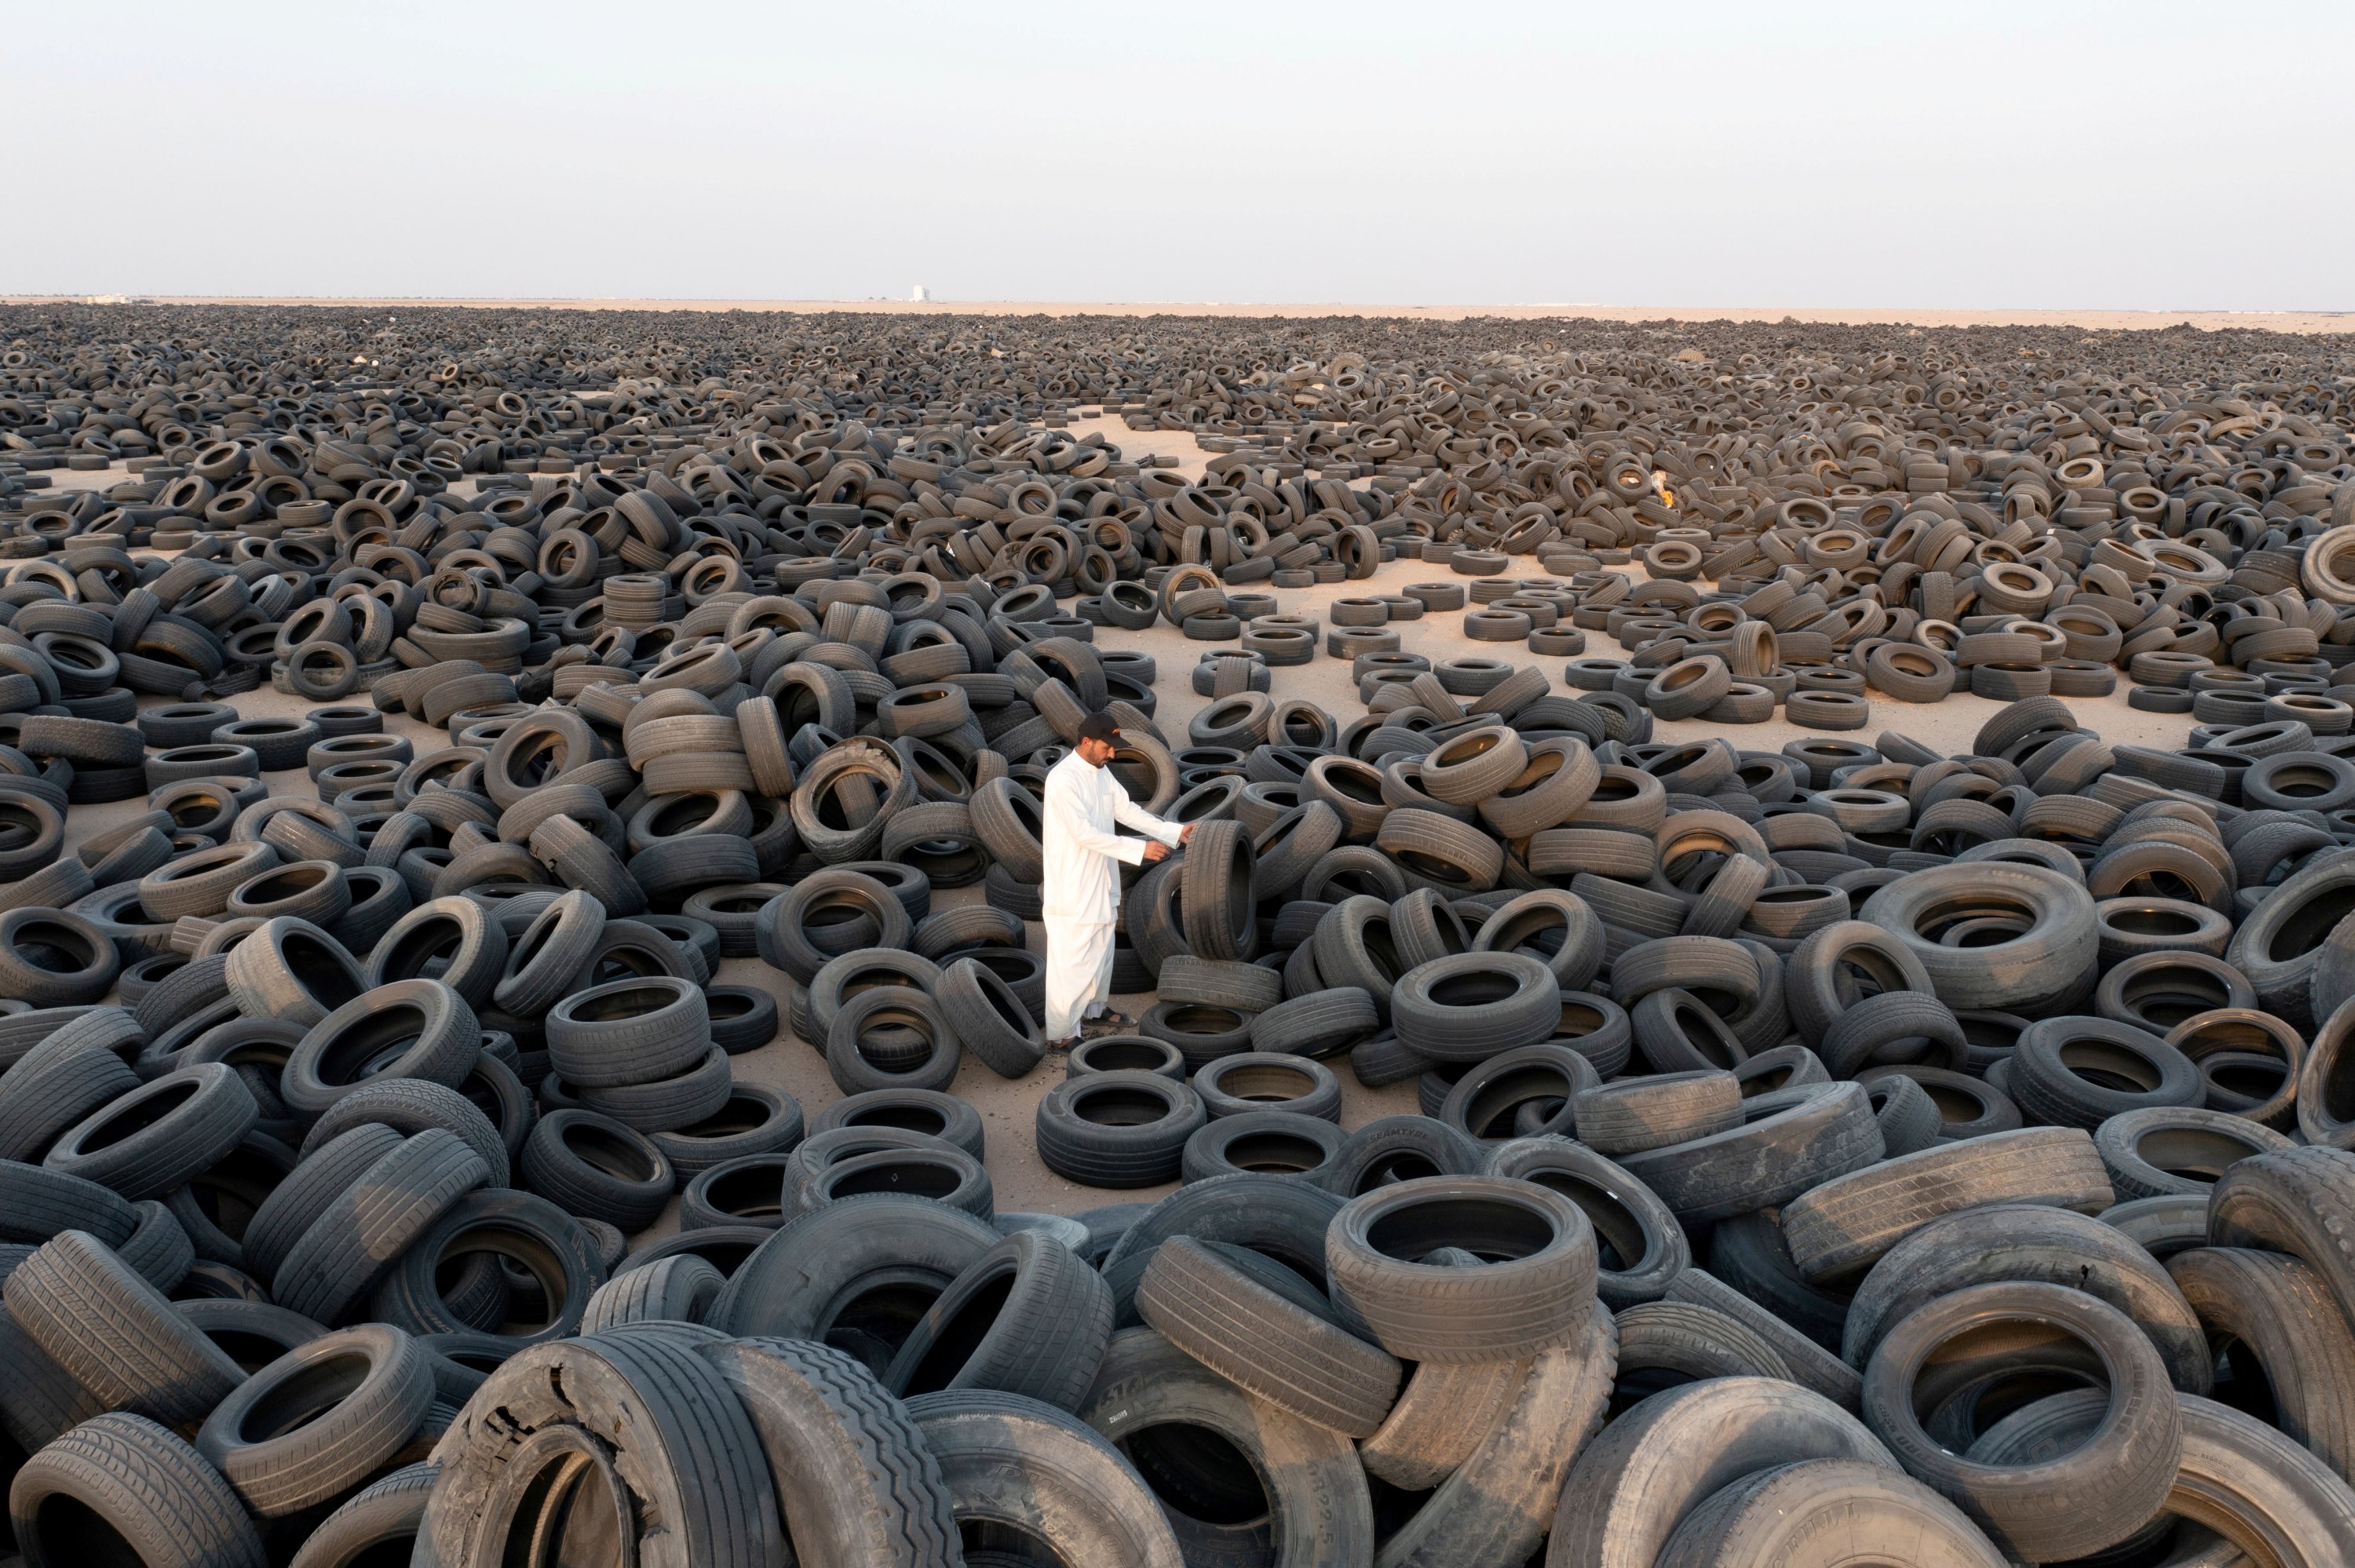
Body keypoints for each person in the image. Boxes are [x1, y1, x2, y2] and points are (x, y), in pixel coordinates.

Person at [1042, 711, 1193, 1048]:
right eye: (1107, 747)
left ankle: (1093, 1010)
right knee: (1072, 959)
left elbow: (1126, 811)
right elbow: (1084, 834)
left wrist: (1174, 831)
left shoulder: (1100, 773)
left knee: (1101, 950)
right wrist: (1139, 850)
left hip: (1101, 878)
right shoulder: (1062, 780)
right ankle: (1062, 1033)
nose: (1112, 753)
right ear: (1086, 742)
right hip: (1073, 885)